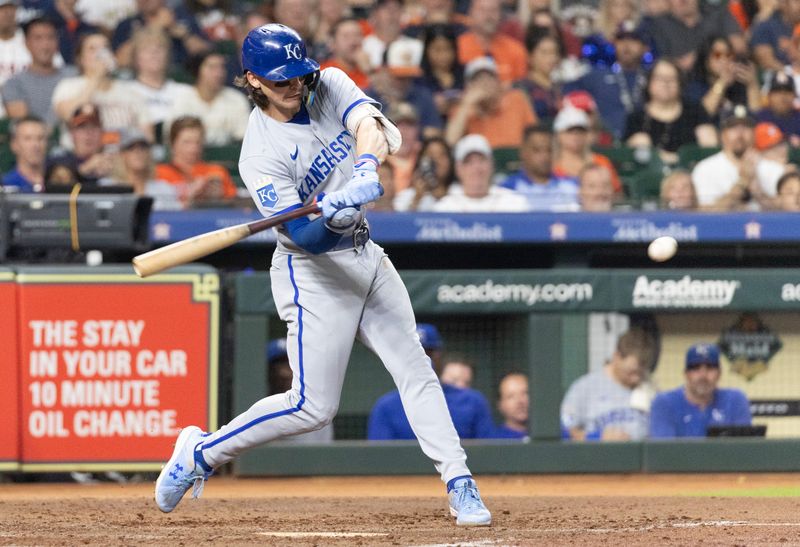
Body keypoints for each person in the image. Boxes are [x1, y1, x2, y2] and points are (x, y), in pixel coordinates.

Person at [153, 24, 492, 527]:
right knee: (312, 408)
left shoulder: (328, 82)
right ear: (252, 80)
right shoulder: (259, 152)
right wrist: (330, 217)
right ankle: (200, 453)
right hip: (311, 271)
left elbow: (370, 127)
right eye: (280, 80)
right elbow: (305, 238)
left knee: (415, 370)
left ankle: (459, 481)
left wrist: (364, 170)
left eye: (298, 76)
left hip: (367, 256)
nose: (294, 86)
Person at [368, 349, 496, 440]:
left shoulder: (472, 401)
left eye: (427, 353)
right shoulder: (386, 406)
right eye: (413, 354)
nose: (420, 361)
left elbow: (487, 451)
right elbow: (379, 458)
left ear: (437, 358)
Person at [561, 328, 655, 441]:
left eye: (641, 373)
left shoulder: (650, 389)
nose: (636, 379)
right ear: (617, 357)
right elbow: (563, 432)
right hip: (598, 456)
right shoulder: (585, 388)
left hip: (640, 457)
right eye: (631, 372)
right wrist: (597, 437)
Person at [564, 21, 650, 141]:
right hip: (605, 144)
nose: (626, 45)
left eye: (633, 40)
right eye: (621, 40)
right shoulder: (596, 76)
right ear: (614, 44)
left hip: (642, 145)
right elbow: (566, 96)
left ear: (645, 47)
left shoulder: (652, 78)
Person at [624, 59, 717, 165]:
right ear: (649, 83)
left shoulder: (695, 111)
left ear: (680, 84)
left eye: (671, 79)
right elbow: (632, 153)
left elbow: (710, 147)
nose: (665, 84)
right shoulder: (636, 117)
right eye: (660, 78)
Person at [650, 343, 752, 438]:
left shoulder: (735, 401)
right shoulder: (664, 403)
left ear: (719, 374)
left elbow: (743, 450)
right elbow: (663, 452)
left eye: (710, 368)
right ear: (686, 374)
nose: (703, 375)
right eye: (695, 368)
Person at [691, 105, 777, 210]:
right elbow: (705, 215)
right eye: (733, 127)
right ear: (722, 135)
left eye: (746, 127)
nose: (740, 134)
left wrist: (757, 190)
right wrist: (742, 182)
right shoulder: (705, 169)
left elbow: (786, 216)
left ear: (754, 134)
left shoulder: (774, 169)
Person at [444, 56, 537, 149]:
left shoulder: (516, 99)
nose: (485, 84)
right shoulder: (462, 110)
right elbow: (450, 142)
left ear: (498, 82)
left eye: (489, 78)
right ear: (469, 87)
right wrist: (467, 105)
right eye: (478, 80)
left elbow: (535, 136)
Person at [167, 51, 251, 146]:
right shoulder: (181, 97)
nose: (219, 73)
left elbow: (244, 138)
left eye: (221, 67)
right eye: (212, 67)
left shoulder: (236, 99)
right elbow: (171, 136)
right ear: (198, 70)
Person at [2, 17, 74, 127]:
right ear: (26, 43)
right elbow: (25, 128)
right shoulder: (14, 84)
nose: (45, 45)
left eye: (50, 38)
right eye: (38, 38)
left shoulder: (73, 75)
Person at [155, 116, 237, 208]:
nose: (193, 148)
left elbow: (234, 203)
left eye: (198, 142)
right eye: (187, 142)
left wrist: (219, 198)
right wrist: (190, 195)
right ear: (172, 143)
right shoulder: (160, 173)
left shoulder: (216, 171)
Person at [433, 134, 529, 212]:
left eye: (482, 160)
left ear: (492, 165)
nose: (476, 168)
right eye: (468, 162)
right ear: (458, 169)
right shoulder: (445, 208)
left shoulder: (514, 203)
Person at [266, 338, 334, 442]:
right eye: (279, 365)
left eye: (292, 363)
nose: (286, 373)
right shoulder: (257, 408)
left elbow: (325, 456)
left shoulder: (318, 410)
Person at [499, 125, 579, 212]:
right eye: (537, 150)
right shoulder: (507, 189)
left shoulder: (572, 187)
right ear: (523, 152)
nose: (545, 156)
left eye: (549, 150)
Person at [111, 0, 210, 71]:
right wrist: (156, 26)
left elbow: (207, 53)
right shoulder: (126, 24)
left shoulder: (183, 17)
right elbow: (121, 61)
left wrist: (184, 35)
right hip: (141, 79)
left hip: (183, 75)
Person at [552, 107, 622, 193]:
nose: (575, 135)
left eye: (581, 130)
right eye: (570, 130)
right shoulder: (549, 166)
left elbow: (616, 194)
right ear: (559, 134)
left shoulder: (602, 162)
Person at [457, 0, 527, 83]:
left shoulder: (516, 50)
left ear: (501, 14)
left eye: (493, 10)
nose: (488, 16)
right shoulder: (458, 47)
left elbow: (522, 88)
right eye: (482, 10)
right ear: (471, 13)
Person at [47, 103, 115, 186]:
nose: (88, 133)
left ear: (102, 132)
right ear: (72, 133)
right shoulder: (59, 161)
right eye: (82, 127)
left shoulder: (115, 160)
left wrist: (115, 172)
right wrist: (84, 170)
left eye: (94, 127)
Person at [112, 128, 181, 209]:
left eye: (143, 147)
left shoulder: (164, 188)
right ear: (122, 154)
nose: (138, 152)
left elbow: (176, 217)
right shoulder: (110, 188)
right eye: (131, 147)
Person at [393, 136, 454, 211]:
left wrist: (442, 196)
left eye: (441, 155)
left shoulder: (460, 193)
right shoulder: (406, 196)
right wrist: (417, 199)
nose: (436, 161)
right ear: (420, 161)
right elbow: (400, 221)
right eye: (431, 156)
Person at [318, 17, 370, 89]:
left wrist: (369, 71)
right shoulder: (324, 74)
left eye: (357, 35)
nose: (353, 41)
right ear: (332, 44)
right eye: (346, 36)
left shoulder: (373, 71)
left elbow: (386, 97)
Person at [749, 0, 800, 72]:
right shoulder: (765, 27)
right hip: (779, 79)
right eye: (796, 1)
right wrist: (791, 74)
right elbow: (766, 61)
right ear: (783, 4)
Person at [1, 115, 47, 193]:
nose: (35, 145)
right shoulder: (5, 185)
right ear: (14, 144)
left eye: (40, 138)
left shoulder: (57, 183)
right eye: (27, 138)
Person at [756, 70, 800, 146]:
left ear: (795, 95)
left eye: (787, 91)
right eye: (777, 92)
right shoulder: (759, 118)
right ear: (769, 96)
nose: (783, 97)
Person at [493, 372, 528, 440]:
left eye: (525, 393)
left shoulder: (546, 437)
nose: (520, 401)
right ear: (500, 405)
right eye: (511, 396)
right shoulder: (495, 441)